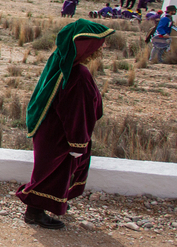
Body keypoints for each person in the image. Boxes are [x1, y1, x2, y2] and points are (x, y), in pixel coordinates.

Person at [16, 20, 114, 230]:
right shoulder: (77, 75)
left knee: (51, 172)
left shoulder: (60, 62)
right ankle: (34, 212)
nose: (99, 49)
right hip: (61, 135)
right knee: (51, 174)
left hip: (50, 130)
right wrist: (78, 143)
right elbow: (76, 112)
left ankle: (48, 204)